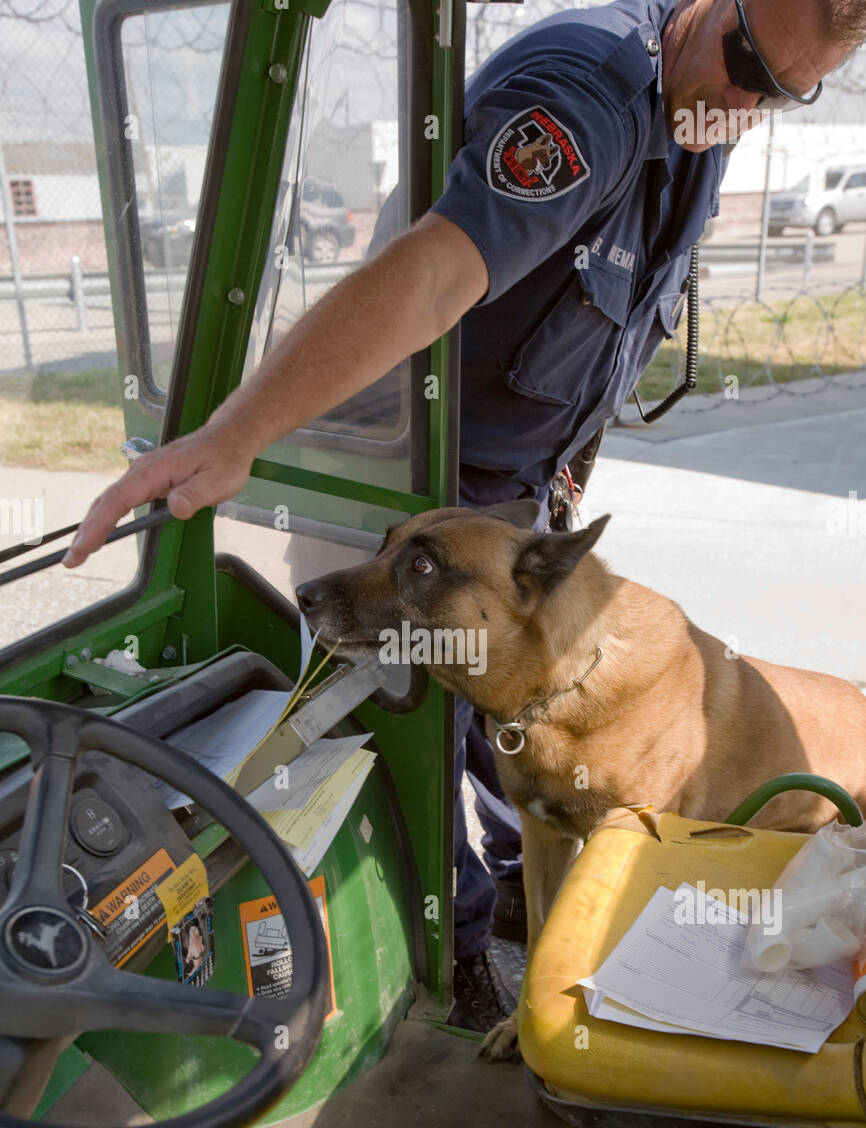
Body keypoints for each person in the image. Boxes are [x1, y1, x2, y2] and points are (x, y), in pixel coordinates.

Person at [64, 0, 864, 1032]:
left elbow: (601, 348)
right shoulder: (586, 96)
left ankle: (531, 928)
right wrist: (235, 434)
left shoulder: (697, 124)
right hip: (403, 480)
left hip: (514, 494)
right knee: (402, 738)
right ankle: (452, 972)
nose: (743, 103)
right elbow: (438, 269)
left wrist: (563, 483)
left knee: (515, 731)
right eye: (745, 62)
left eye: (778, 92)